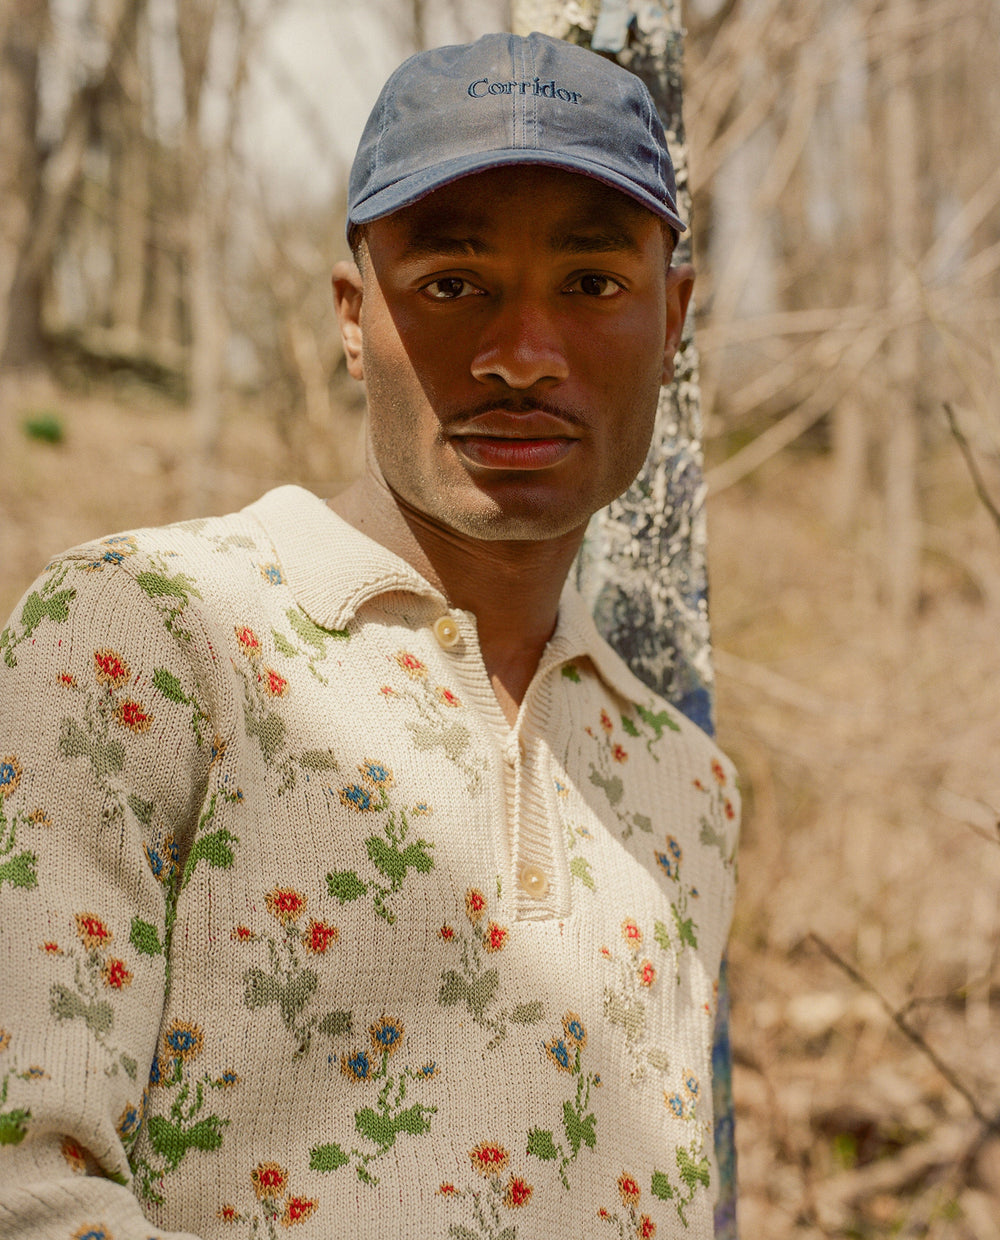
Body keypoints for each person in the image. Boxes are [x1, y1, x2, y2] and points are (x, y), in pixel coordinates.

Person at [0, 31, 739, 1240]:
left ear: (673, 319)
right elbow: (24, 1185)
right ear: (355, 318)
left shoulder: (689, 786)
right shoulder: (141, 636)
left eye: (592, 285)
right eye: (452, 285)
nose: (519, 355)